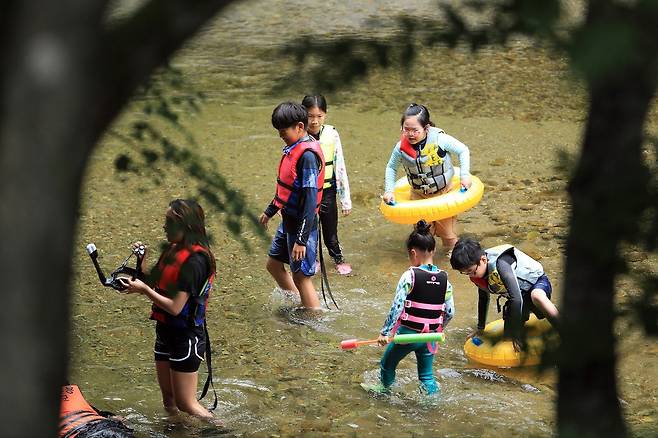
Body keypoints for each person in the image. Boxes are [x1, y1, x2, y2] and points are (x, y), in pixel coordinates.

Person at [119, 199, 217, 420]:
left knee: (186, 404)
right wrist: (141, 264)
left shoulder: (196, 261)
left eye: (169, 222)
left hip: (186, 337)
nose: (164, 227)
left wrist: (143, 290)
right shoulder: (172, 250)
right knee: (169, 401)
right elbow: (153, 284)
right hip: (165, 332)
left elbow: (175, 307)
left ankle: (222, 430)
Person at [365, 220, 455, 395]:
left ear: (413, 253)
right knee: (427, 376)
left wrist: (385, 333)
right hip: (430, 336)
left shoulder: (410, 276)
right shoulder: (445, 280)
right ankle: (432, 401)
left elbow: (397, 306)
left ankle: (384, 391)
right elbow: (450, 312)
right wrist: (438, 330)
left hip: (408, 334)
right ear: (434, 250)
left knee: (387, 364)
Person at [259, 102, 325, 309]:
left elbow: (310, 200)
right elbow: (287, 189)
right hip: (288, 221)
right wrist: (270, 211)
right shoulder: (294, 149)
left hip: (302, 226)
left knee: (301, 276)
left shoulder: (307, 157)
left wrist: (301, 240)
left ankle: (313, 318)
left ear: (299, 127)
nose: (280, 135)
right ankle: (298, 301)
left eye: (283, 131)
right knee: (273, 265)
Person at [383, 103, 472, 253]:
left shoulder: (440, 140)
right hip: (418, 195)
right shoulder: (400, 148)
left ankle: (451, 263)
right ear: (401, 128)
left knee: (448, 236)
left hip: (444, 193)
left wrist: (465, 175)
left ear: (426, 128)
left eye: (415, 130)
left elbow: (463, 150)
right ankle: (425, 264)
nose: (410, 134)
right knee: (423, 235)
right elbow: (391, 167)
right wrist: (389, 190)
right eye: (406, 129)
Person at [449, 238, 559, 348]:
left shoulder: (501, 264)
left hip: (538, 284)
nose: (470, 276)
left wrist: (516, 335)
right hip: (521, 296)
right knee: (507, 336)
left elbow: (516, 298)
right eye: (465, 273)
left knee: (536, 296)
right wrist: (480, 328)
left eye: (471, 271)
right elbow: (483, 298)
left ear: (483, 260)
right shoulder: (477, 273)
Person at [302, 95, 353, 275]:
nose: (314, 121)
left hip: (328, 189)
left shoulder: (332, 134)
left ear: (325, 115)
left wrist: (345, 200)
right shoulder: (299, 135)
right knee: (309, 227)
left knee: (330, 229)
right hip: (306, 192)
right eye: (310, 116)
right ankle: (313, 259)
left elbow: (340, 167)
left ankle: (337, 258)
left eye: (319, 116)